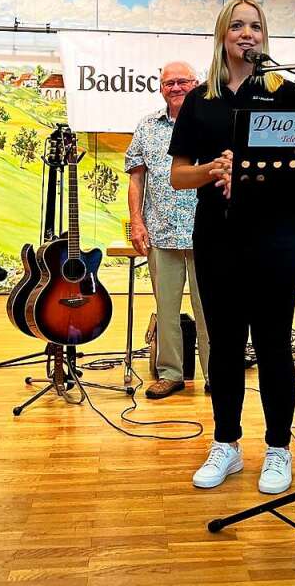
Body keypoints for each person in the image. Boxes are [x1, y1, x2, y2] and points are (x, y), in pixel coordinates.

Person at [169, 0, 295, 495]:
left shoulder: (286, 93)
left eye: (255, 26)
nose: (247, 34)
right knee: (223, 344)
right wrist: (214, 170)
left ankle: (278, 449)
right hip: (218, 236)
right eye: (237, 26)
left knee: (274, 343)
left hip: (278, 236)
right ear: (222, 36)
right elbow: (178, 173)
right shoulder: (199, 101)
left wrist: (258, 175)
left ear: (264, 37)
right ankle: (226, 443)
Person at [125, 61, 211, 399]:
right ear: (161, 88)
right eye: (168, 83)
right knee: (167, 309)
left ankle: (216, 376)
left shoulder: (210, 121)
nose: (175, 88)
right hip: (161, 234)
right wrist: (136, 221)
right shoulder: (147, 126)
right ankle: (171, 374)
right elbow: (137, 176)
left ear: (196, 84)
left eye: (182, 82)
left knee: (210, 311)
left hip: (207, 233)